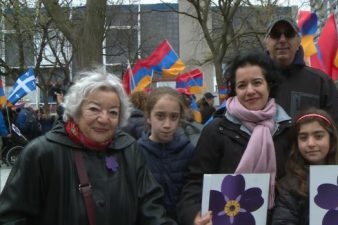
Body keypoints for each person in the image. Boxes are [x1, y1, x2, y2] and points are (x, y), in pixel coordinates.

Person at [0, 69, 176, 225]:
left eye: (113, 112)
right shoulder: (41, 154)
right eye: (94, 109)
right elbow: (11, 217)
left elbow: (152, 210)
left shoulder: (130, 150)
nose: (104, 118)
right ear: (76, 110)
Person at [177, 52, 292, 225]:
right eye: (242, 85)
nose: (250, 91)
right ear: (234, 90)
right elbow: (194, 182)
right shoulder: (216, 130)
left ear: (269, 85)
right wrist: (194, 215)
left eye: (257, 82)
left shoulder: (287, 129)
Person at [264, 15, 338, 147]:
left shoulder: (321, 82)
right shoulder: (251, 83)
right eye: (276, 34)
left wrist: (327, 165)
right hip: (263, 166)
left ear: (298, 41)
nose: (282, 40)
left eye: (289, 34)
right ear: (267, 42)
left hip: (307, 167)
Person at [271, 108, 338, 225]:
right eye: (303, 138)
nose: (311, 144)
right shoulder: (289, 185)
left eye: (318, 136)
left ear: (331, 139)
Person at [138, 87, 195, 221]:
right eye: (160, 116)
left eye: (174, 117)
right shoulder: (137, 152)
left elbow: (193, 192)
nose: (167, 124)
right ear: (148, 117)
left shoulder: (189, 150)